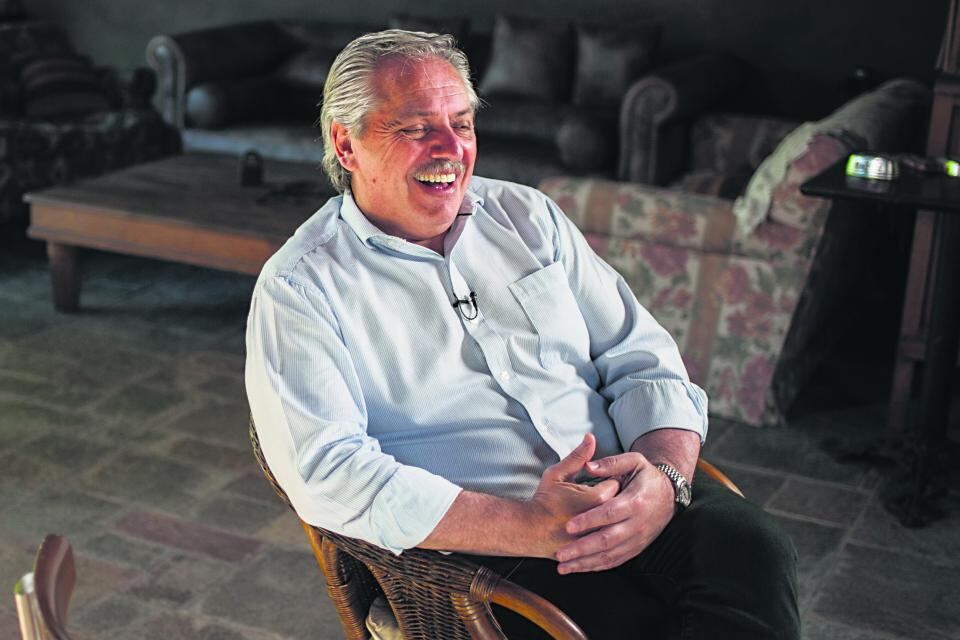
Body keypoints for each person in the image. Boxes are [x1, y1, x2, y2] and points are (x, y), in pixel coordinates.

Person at [245, 29, 800, 639]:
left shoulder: (528, 216)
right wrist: (529, 526)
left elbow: (639, 355)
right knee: (632, 624)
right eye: (415, 128)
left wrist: (664, 479)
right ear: (346, 144)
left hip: (624, 487)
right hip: (489, 551)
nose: (450, 148)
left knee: (753, 548)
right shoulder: (300, 286)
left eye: (462, 124)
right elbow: (327, 470)